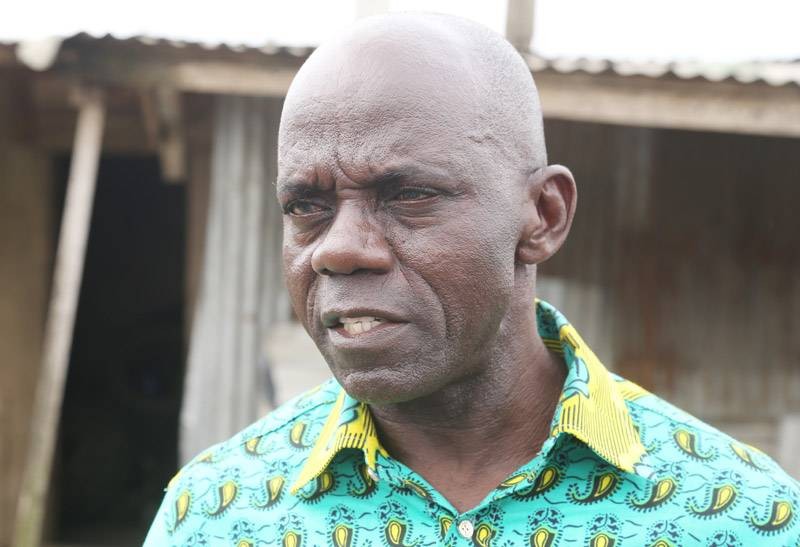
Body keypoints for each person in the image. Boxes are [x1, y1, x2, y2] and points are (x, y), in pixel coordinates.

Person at [144, 13, 800, 546]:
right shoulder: (219, 515)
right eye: (306, 207)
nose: (337, 250)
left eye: (408, 194)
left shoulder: (739, 518)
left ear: (543, 215)